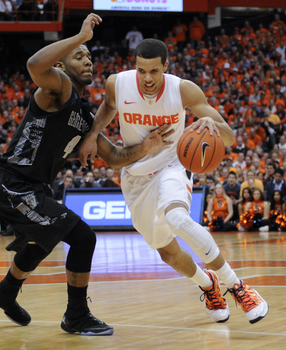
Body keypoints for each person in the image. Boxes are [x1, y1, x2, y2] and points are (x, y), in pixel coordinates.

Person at [0, 14, 173, 336]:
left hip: (33, 189)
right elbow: (34, 65)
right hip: (12, 184)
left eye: (90, 56)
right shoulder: (58, 87)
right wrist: (80, 36)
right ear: (63, 63)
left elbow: (112, 157)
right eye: (79, 55)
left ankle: (5, 292)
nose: (87, 60)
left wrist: (147, 147)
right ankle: (76, 315)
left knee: (45, 241)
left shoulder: (85, 116)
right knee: (83, 237)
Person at [79, 38, 268, 324]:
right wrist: (93, 134)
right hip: (136, 174)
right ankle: (208, 284)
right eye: (142, 70)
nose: (147, 78)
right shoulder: (117, 83)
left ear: (165, 67)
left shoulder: (183, 89)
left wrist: (209, 124)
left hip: (173, 163)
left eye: (154, 71)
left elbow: (228, 136)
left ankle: (238, 286)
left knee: (177, 217)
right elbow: (108, 106)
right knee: (167, 253)